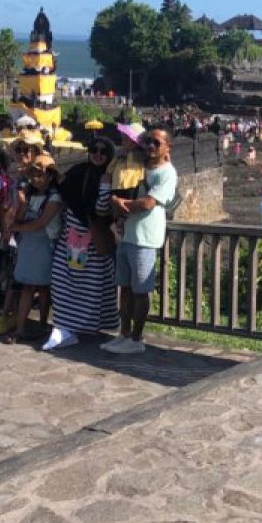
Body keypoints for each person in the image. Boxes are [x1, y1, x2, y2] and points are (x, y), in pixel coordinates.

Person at [103, 126, 176, 354]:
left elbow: (147, 203)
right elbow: (123, 187)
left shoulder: (167, 173)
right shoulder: (139, 165)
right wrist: (117, 199)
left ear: (167, 147)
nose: (151, 146)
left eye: (156, 142)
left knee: (140, 290)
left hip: (145, 238)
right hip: (127, 236)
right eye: (147, 142)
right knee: (124, 288)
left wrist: (119, 203)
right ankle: (124, 334)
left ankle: (137, 339)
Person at [44, 136, 118, 350]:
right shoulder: (78, 171)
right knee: (61, 280)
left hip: (94, 238)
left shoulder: (111, 177)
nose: (97, 155)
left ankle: (83, 326)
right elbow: (62, 188)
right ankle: (64, 327)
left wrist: (105, 186)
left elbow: (102, 209)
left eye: (103, 152)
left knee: (91, 286)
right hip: (70, 236)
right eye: (94, 149)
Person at [2, 153, 62, 344]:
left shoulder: (55, 197)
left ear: (50, 176)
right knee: (30, 286)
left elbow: (40, 223)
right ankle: (25, 327)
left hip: (44, 243)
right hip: (28, 243)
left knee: (41, 287)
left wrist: (14, 228)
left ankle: (38, 325)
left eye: (40, 175)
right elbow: (17, 215)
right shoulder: (27, 194)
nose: (36, 179)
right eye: (33, 175)